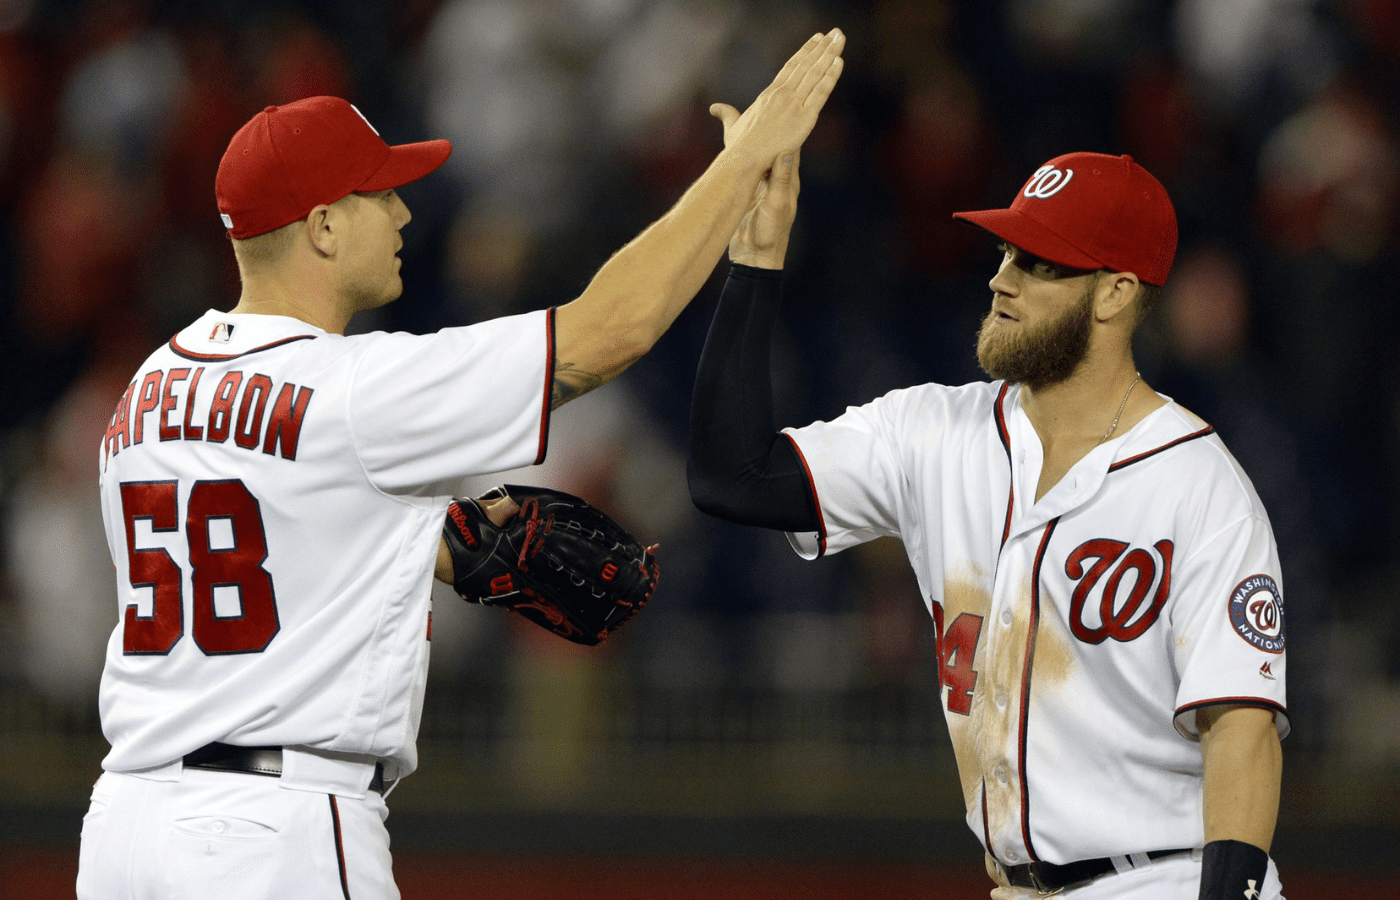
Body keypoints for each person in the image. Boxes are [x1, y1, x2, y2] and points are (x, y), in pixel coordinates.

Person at [80, 28, 844, 900]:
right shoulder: (357, 387)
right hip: (276, 831)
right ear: (324, 226)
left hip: (124, 825)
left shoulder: (150, 386)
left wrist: (423, 548)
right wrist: (743, 162)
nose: (404, 214)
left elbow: (266, 531)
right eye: (379, 195)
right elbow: (608, 332)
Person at [687, 149, 1288, 899]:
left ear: (1115, 293)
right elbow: (732, 477)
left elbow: (1243, 730)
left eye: (1040, 263)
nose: (1001, 277)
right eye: (1007, 250)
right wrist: (754, 263)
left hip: (1168, 879)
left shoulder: (1197, 485)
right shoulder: (932, 433)